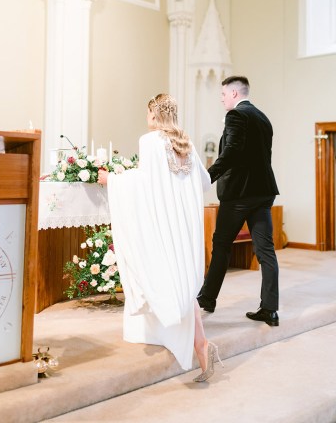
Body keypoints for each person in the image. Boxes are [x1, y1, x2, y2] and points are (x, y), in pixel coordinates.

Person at [98, 93, 222, 382]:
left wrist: (111, 180)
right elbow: (203, 182)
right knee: (183, 283)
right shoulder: (185, 142)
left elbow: (144, 183)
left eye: (148, 114)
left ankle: (201, 346)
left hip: (162, 222)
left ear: (154, 115)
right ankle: (202, 347)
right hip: (185, 224)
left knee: (163, 276)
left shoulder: (150, 141)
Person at [197, 76, 280, 326]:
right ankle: (270, 309)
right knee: (266, 251)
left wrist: (206, 178)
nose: (221, 98)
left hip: (239, 194)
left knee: (221, 245)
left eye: (223, 94)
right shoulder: (263, 118)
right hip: (263, 191)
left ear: (234, 93)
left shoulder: (236, 115)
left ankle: (207, 299)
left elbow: (231, 152)